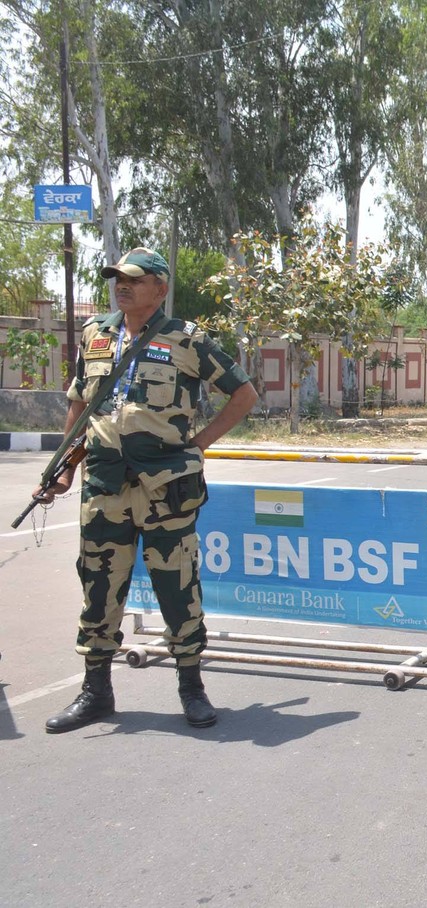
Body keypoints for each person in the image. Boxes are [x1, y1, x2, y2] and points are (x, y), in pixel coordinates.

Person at [39, 247, 259, 734]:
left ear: (159, 289)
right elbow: (81, 402)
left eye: (134, 280)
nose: (123, 286)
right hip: (104, 483)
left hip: (166, 489)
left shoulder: (186, 340)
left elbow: (244, 393)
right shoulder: (96, 335)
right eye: (117, 278)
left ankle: (191, 688)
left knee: (177, 587)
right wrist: (63, 466)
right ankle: (96, 692)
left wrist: (198, 445)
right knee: (98, 586)